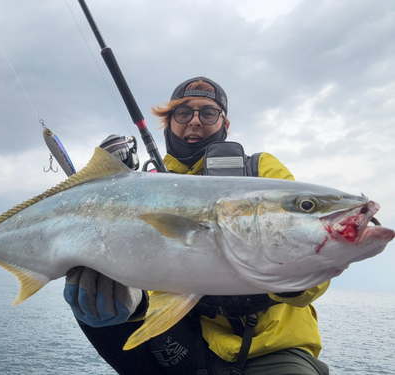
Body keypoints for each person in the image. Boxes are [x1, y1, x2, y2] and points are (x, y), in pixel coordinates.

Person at [63, 77, 330, 375]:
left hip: (272, 345)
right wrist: (133, 300)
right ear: (168, 123)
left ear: (224, 123)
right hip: (188, 345)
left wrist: (296, 276)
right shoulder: (143, 186)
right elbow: (151, 262)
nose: (194, 121)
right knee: (100, 315)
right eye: (183, 113)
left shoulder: (260, 172)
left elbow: (312, 248)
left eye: (208, 113)